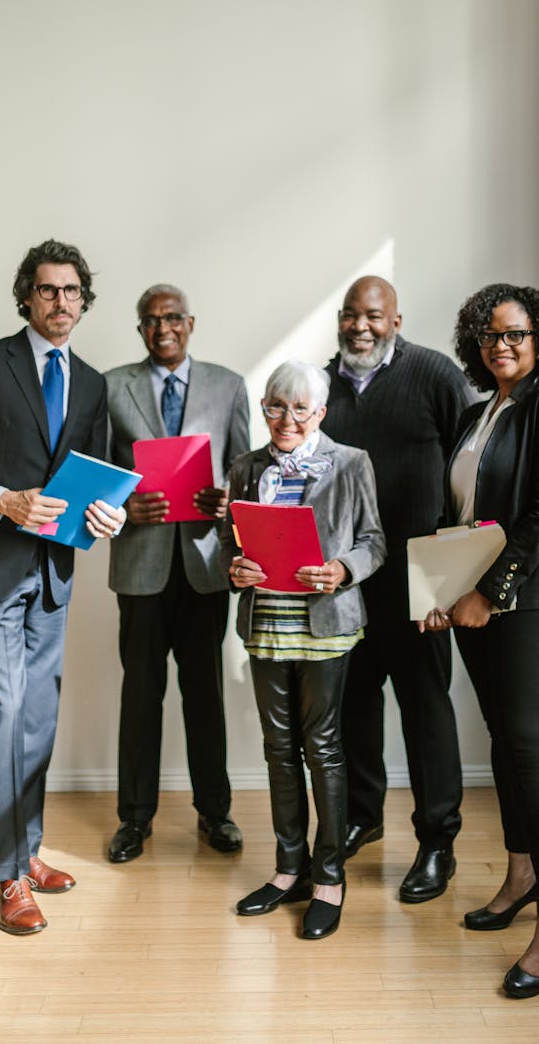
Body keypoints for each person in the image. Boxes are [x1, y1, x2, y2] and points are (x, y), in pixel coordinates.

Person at [0, 239, 125, 936]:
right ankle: (6, 876)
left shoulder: (93, 382)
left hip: (55, 571)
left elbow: (99, 475)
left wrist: (110, 513)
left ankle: (26, 849)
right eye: (47, 289)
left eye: (72, 291)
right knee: (4, 712)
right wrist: (1, 498)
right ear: (27, 297)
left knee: (37, 716)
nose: (60, 301)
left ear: (82, 300)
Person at [421, 283, 539, 998]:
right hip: (466, 599)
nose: (503, 346)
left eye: (516, 334)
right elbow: (461, 515)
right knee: (501, 738)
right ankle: (520, 872)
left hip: (530, 596)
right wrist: (434, 593)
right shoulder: (475, 412)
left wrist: (491, 592)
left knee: (529, 742)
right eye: (490, 336)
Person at [321, 275, 473, 902]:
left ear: (397, 320)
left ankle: (438, 841)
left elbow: (470, 470)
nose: (361, 326)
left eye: (374, 316)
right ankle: (364, 815)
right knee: (354, 704)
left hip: (421, 580)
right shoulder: (322, 384)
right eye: (351, 315)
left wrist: (454, 575)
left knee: (425, 710)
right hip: (348, 579)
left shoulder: (435, 375)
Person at [223, 360, 385, 939]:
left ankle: (329, 877)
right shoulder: (245, 467)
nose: (285, 419)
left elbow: (374, 542)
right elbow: (231, 541)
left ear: (320, 413)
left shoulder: (350, 463)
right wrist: (235, 568)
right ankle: (288, 868)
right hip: (267, 621)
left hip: (326, 626)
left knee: (322, 746)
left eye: (299, 409)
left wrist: (342, 568)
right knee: (278, 749)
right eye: (274, 406)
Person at [105, 283, 250, 862]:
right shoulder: (112, 386)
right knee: (140, 696)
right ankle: (133, 821)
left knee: (204, 694)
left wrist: (228, 503)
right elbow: (94, 469)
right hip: (140, 565)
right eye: (150, 320)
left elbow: (247, 475)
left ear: (190, 323)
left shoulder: (228, 384)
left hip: (204, 567)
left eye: (172, 318)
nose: (161, 328)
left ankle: (216, 813)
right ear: (140, 328)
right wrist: (121, 508)